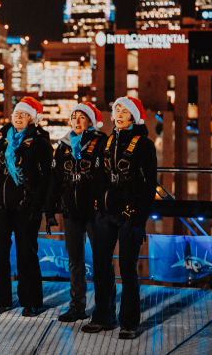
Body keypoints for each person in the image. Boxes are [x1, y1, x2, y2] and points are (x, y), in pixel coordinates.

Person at [82, 96, 156, 340]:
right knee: (101, 267)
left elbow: (148, 186)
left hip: (129, 216)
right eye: (117, 110)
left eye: (125, 111)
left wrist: (137, 220)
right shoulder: (107, 142)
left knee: (127, 269)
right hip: (104, 214)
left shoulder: (144, 145)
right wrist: (97, 203)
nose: (120, 114)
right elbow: (97, 174)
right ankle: (103, 317)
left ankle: (129, 322)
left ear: (134, 117)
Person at [0, 97, 52, 317]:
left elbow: (46, 178)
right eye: (16, 113)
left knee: (27, 254)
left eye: (24, 114)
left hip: (25, 207)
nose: (18, 117)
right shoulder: (3, 142)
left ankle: (31, 301)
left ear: (33, 119)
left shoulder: (40, 143)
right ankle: (1, 299)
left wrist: (37, 206)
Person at [44, 103, 107, 322]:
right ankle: (77, 306)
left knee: (102, 260)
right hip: (70, 212)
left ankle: (104, 308)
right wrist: (50, 211)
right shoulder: (62, 147)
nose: (77, 121)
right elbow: (54, 182)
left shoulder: (101, 143)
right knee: (75, 261)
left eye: (82, 117)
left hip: (95, 212)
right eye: (74, 117)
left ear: (90, 122)